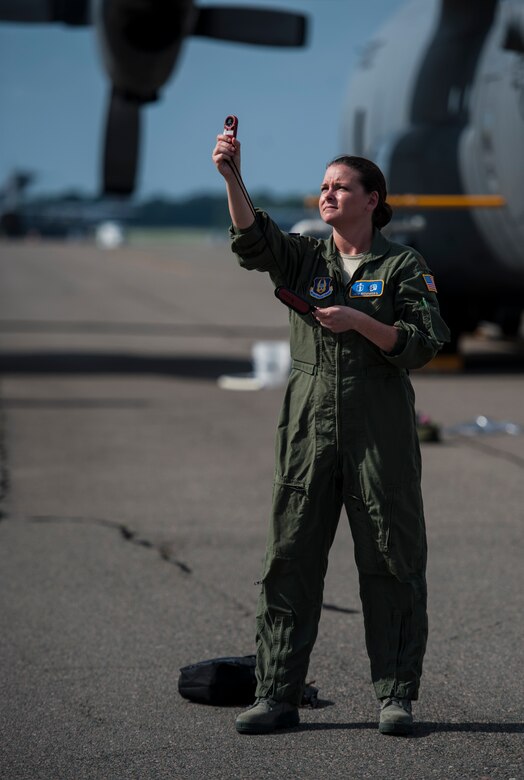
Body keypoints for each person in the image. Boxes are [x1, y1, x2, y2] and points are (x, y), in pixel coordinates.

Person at [211, 132, 450, 736]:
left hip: (379, 430)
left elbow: (422, 345)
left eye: (341, 186)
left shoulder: (403, 266)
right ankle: (276, 695)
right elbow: (253, 240)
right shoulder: (307, 259)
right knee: (289, 558)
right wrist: (232, 175)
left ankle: (395, 696)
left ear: (373, 200)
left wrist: (361, 323)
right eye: (322, 187)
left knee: (392, 561)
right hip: (307, 426)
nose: (328, 194)